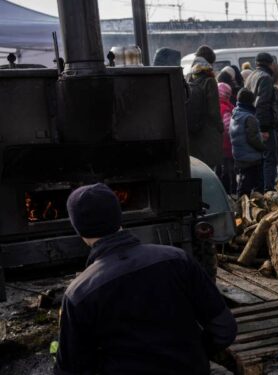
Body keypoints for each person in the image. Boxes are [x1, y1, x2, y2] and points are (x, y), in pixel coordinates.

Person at [54, 183, 237, 374]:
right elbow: (225, 329)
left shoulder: (79, 294)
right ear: (119, 216)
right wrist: (193, 353)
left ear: (79, 229)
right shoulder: (178, 259)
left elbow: (68, 370)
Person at [186, 45, 224, 171]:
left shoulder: (189, 78)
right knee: (209, 168)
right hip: (208, 133)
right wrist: (220, 127)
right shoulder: (209, 81)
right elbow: (214, 111)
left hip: (192, 132)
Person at [245, 52, 277, 192]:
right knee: (269, 158)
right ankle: (268, 190)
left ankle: (259, 189)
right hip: (263, 124)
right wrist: (263, 128)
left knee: (259, 160)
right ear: (270, 63)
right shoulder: (266, 78)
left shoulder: (251, 76)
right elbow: (263, 103)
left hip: (252, 122)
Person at [231, 88, 267, 195]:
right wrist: (263, 147)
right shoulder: (249, 117)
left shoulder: (235, 113)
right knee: (256, 184)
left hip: (240, 155)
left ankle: (241, 204)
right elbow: (252, 138)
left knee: (244, 182)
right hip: (251, 157)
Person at [218, 82, 237, 194]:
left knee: (223, 169)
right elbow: (229, 128)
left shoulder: (218, 106)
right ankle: (231, 191)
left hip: (220, 144)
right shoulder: (225, 108)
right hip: (227, 145)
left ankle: (225, 191)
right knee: (230, 170)